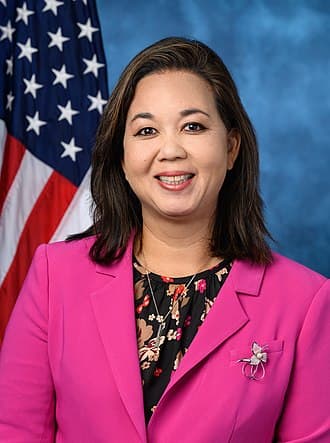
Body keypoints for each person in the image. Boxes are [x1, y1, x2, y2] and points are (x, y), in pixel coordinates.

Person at [0, 36, 329, 443]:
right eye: (146, 131)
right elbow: (15, 433)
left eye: (193, 126)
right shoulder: (54, 276)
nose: (169, 150)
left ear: (231, 148)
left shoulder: (306, 301)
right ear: (121, 158)